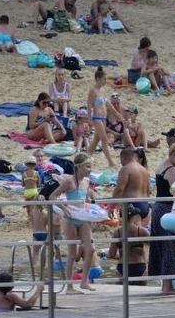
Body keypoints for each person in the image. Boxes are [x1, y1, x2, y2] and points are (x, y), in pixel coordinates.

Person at [48, 154, 98, 293]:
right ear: (79, 167)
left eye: (91, 167)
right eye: (88, 167)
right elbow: (52, 197)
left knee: (90, 249)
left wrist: (92, 208)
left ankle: (84, 282)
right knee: (72, 253)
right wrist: (64, 208)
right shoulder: (69, 181)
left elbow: (86, 198)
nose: (90, 169)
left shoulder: (87, 181)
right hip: (70, 219)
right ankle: (69, 286)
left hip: (83, 218)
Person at [149, 143, 175, 294]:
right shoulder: (171, 170)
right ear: (174, 155)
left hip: (159, 207)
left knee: (165, 245)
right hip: (166, 209)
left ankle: (167, 284)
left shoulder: (162, 165)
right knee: (170, 246)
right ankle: (167, 285)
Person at [108, 204, 149, 285]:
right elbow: (155, 246)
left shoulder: (117, 233)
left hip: (122, 267)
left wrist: (121, 255)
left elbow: (111, 254)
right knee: (141, 295)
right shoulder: (141, 231)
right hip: (139, 266)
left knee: (122, 295)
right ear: (134, 216)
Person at [111, 145, 151, 223]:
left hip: (132, 204)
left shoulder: (126, 169)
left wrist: (112, 205)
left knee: (131, 231)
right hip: (145, 204)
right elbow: (148, 192)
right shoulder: (145, 171)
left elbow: (119, 189)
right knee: (136, 231)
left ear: (123, 158)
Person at [87, 68, 116, 168]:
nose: (105, 81)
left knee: (95, 141)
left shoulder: (103, 90)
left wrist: (117, 114)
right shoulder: (93, 91)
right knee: (104, 139)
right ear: (98, 79)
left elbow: (107, 103)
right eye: (104, 79)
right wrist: (90, 119)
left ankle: (87, 157)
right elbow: (89, 105)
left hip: (103, 118)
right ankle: (110, 161)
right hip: (96, 117)